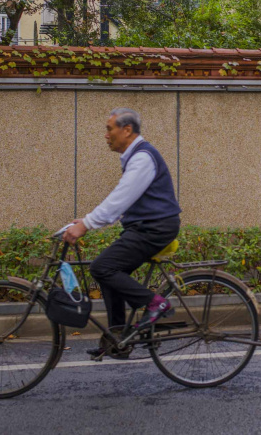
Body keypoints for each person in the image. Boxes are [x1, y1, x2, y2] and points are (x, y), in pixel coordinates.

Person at [62, 108, 180, 354]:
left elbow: (120, 199)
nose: (106, 135)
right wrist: (86, 220)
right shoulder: (136, 157)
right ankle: (118, 339)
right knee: (109, 273)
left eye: (109, 129)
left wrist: (86, 225)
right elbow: (120, 203)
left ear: (127, 130)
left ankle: (156, 304)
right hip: (146, 226)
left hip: (155, 228)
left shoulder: (142, 157)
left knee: (101, 267)